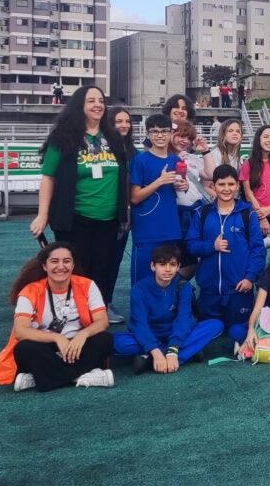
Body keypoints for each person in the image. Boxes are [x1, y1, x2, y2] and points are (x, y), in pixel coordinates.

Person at [30, 86, 130, 316]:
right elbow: (48, 177)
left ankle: (97, 315)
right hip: (75, 219)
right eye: (91, 101)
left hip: (109, 219)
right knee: (76, 268)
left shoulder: (113, 138)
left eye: (101, 101)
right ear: (79, 106)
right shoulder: (63, 138)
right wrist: (43, 214)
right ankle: (72, 316)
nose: (98, 105)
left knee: (102, 269)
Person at [0, 243, 114, 391]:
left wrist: (82, 334)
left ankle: (40, 378)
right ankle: (82, 376)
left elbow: (102, 321)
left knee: (104, 339)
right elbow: (20, 331)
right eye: (54, 261)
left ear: (73, 265)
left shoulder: (87, 285)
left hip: (77, 345)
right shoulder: (30, 291)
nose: (61, 266)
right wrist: (57, 338)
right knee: (24, 348)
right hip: (46, 345)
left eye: (66, 261)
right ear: (44, 266)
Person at [112, 243, 223, 374]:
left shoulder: (184, 286)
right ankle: (185, 353)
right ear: (153, 266)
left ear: (178, 267)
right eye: (162, 265)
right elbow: (139, 324)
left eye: (172, 264)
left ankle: (148, 361)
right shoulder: (139, 289)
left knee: (215, 325)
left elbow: (183, 319)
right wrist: (155, 351)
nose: (168, 269)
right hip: (151, 333)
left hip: (175, 332)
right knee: (117, 342)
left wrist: (173, 350)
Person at [186, 164, 266, 345]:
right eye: (221, 184)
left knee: (237, 332)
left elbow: (258, 250)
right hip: (209, 290)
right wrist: (211, 246)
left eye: (231, 184)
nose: (226, 189)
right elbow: (191, 245)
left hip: (238, 289)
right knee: (210, 333)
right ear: (213, 186)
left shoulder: (248, 214)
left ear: (237, 186)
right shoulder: (202, 213)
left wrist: (249, 278)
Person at [128, 114, 188, 285]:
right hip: (147, 231)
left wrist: (184, 187)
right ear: (147, 135)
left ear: (170, 134)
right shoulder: (140, 161)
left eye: (164, 131)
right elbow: (135, 197)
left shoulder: (175, 160)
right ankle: (139, 312)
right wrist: (159, 181)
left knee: (168, 279)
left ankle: (167, 311)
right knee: (143, 279)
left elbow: (180, 188)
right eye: (154, 132)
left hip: (170, 229)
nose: (160, 135)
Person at [105, 105, 136, 324]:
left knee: (113, 260)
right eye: (118, 121)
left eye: (127, 121)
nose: (124, 125)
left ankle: (105, 302)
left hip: (123, 217)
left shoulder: (133, 152)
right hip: (103, 213)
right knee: (98, 261)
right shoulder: (104, 149)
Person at [201, 118, 244, 200]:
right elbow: (205, 187)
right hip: (218, 204)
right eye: (230, 131)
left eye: (238, 131)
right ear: (223, 134)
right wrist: (226, 200)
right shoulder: (215, 154)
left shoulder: (236, 156)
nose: (235, 133)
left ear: (241, 137)